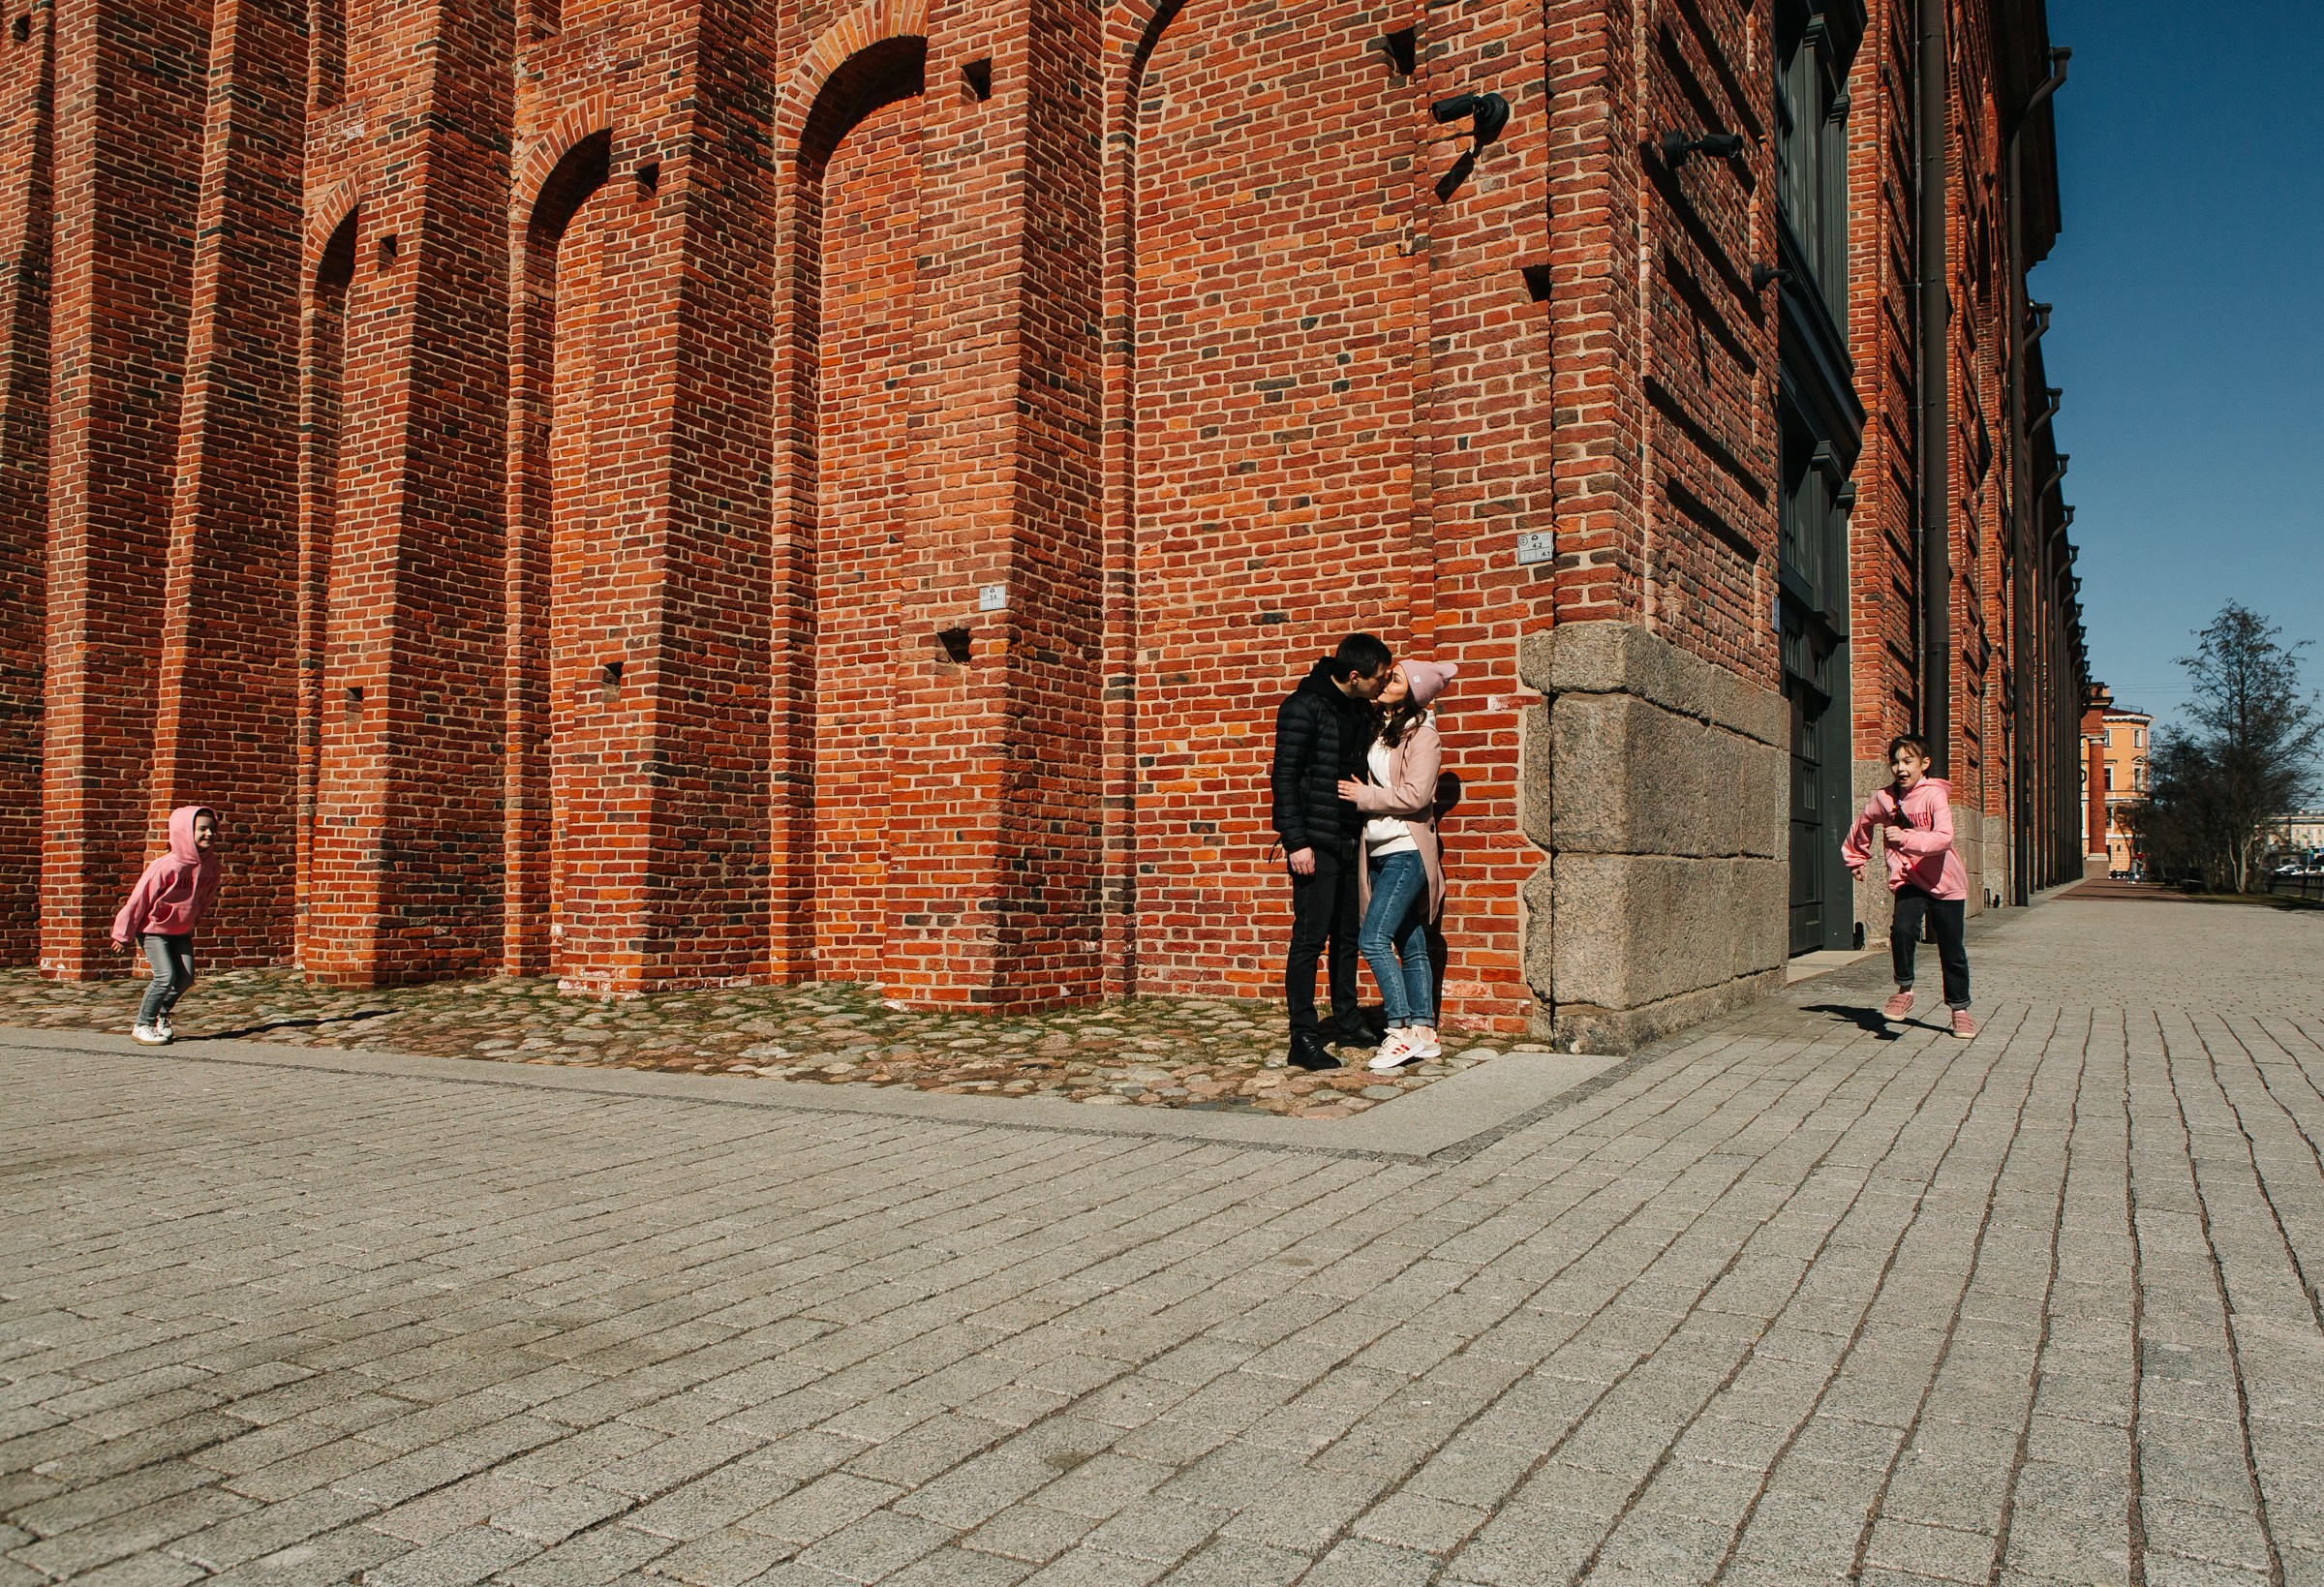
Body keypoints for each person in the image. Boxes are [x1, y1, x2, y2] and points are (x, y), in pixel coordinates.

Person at [1270, 633, 1392, 1070]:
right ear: (1355, 675)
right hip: (1314, 843)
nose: (1384, 683)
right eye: (1380, 677)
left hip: (1349, 837)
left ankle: (1346, 1020)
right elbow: (1284, 777)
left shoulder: (1359, 708)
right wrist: (1295, 841)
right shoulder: (1302, 706)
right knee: (1309, 939)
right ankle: (1301, 1038)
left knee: (1347, 938)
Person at [1338, 659, 1456, 1071]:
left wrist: (1363, 797)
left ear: (1413, 692)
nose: (1387, 679)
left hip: (1407, 849)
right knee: (1409, 940)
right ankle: (1425, 1032)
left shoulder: (1424, 735)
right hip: (1380, 848)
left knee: (1372, 938)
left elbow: (1416, 796)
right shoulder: (1383, 728)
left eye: (1397, 678)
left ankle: (1401, 1029)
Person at [1843, 735, 1974, 1038]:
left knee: (1952, 949)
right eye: (1895, 761)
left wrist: (1908, 839)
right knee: (1902, 929)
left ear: (1924, 764)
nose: (1900, 768)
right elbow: (1862, 824)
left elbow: (1945, 837)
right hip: (1909, 879)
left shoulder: (1934, 796)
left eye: (1907, 761)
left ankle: (1960, 1011)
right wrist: (1856, 858)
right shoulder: (1883, 799)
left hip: (1946, 883)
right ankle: (1905, 990)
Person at [110, 807, 223, 1046]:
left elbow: (206, 897)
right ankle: (142, 1024)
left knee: (185, 978)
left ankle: (162, 1014)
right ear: (184, 831)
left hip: (181, 930)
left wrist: (196, 918)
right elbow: (139, 898)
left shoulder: (211, 865)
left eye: (212, 829)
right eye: (202, 829)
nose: (209, 834)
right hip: (153, 929)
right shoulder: (167, 865)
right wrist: (123, 934)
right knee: (165, 977)